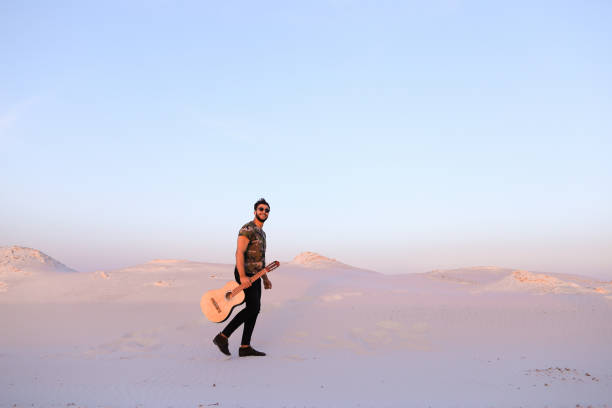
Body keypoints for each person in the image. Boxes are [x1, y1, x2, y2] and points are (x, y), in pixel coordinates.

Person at [213, 198, 272, 357]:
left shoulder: (262, 233)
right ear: (255, 211)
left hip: (256, 275)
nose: (263, 212)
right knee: (253, 307)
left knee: (255, 309)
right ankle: (222, 337)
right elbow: (239, 252)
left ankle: (245, 346)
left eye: (267, 210)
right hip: (245, 274)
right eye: (261, 209)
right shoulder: (248, 228)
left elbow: (261, 260)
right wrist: (243, 276)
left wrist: (265, 278)